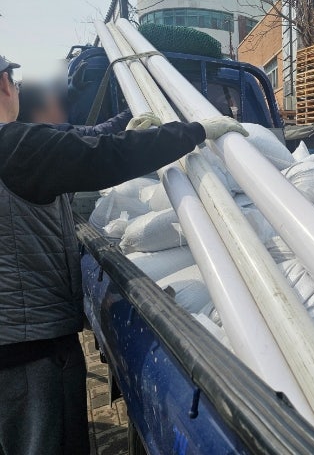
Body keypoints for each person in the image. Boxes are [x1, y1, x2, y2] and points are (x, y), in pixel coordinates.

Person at [0, 54, 248, 455]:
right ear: (5, 84)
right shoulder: (13, 145)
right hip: (29, 352)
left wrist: (126, 125)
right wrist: (195, 131)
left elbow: (82, 142)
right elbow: (100, 155)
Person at [18, 80, 133, 135]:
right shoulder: (55, 141)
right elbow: (96, 135)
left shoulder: (29, 136)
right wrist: (131, 111)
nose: (63, 108)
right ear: (39, 115)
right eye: (57, 105)